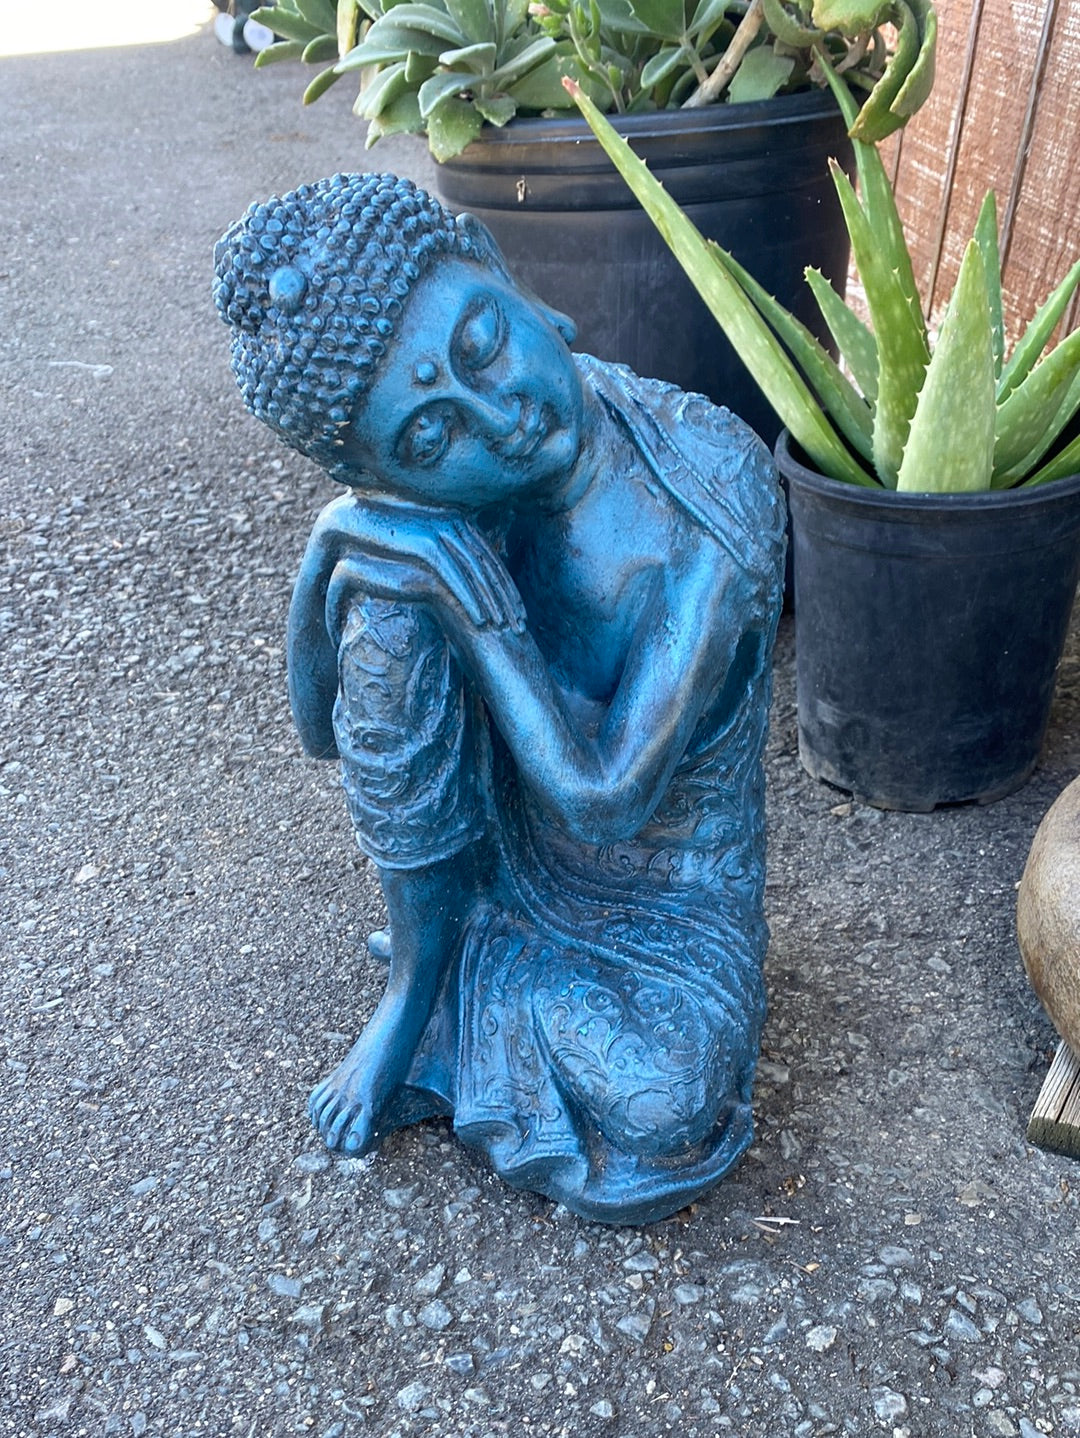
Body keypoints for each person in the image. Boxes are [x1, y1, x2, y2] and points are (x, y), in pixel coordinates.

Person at [214, 173, 785, 1224]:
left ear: (496, 262)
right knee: (387, 613)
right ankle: (418, 983)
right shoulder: (435, 508)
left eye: (481, 344)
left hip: (668, 899)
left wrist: (479, 614)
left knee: (663, 1100)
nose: (500, 419)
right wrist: (335, 541)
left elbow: (606, 801)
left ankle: (461, 965)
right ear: (382, 473)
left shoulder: (712, 479)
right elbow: (319, 728)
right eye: (430, 440)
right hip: (505, 845)